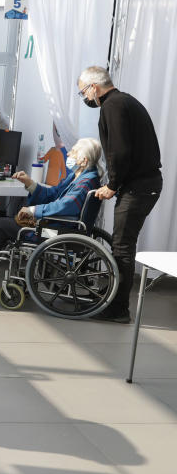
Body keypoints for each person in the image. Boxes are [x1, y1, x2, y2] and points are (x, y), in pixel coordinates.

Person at [0, 137, 103, 287]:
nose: (69, 155)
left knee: (1, 225)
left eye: (73, 152)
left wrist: (34, 210)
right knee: (9, 223)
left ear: (84, 160)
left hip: (59, 233)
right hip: (58, 228)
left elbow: (65, 206)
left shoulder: (86, 181)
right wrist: (30, 184)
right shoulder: (77, 175)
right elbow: (53, 194)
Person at [78, 66, 163, 323]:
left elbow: (120, 151)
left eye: (83, 91)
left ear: (94, 87)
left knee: (122, 248)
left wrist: (112, 185)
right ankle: (114, 300)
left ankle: (118, 310)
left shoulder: (112, 106)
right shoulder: (125, 101)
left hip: (139, 186)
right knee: (121, 245)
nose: (84, 97)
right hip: (143, 183)